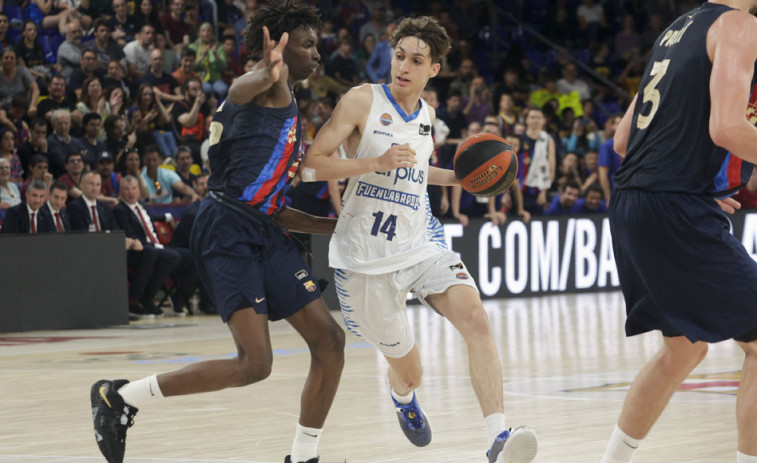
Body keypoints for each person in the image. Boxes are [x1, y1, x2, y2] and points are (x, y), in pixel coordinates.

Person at [90, 3, 346, 463]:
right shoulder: (266, 86)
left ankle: (303, 456)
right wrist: (266, 72)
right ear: (281, 48)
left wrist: (336, 226)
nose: (318, 55)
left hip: (262, 226)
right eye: (308, 45)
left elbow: (272, 206)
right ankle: (122, 397)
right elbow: (238, 87)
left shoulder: (282, 97)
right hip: (227, 228)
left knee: (330, 340)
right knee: (255, 365)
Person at [303, 16, 538, 463]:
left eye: (416, 60)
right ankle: (403, 397)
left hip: (420, 240)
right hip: (365, 260)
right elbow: (311, 165)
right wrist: (373, 163)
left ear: (434, 69)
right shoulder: (361, 101)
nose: (404, 67)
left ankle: (499, 438)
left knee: (477, 321)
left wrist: (461, 179)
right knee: (411, 373)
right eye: (399, 56)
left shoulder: (428, 115)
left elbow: (412, 170)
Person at [601, 2, 757, 463]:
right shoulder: (738, 25)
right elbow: (727, 127)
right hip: (669, 206)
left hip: (631, 202)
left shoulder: (676, 29)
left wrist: (688, 182)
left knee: (683, 351)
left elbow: (623, 141)